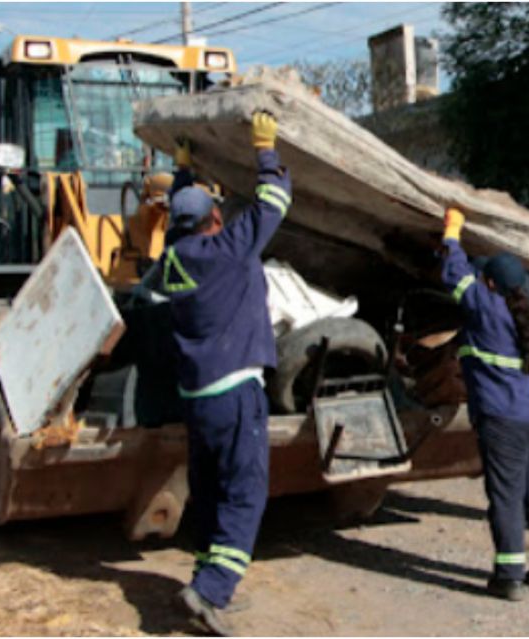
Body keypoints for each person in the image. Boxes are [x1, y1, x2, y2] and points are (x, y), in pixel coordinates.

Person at [163, 111, 292, 635]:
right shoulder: (228, 253)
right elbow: (274, 202)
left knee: (211, 490)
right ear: (214, 218)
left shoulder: (172, 258)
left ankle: (203, 576)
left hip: (196, 396)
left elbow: (183, 215)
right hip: (236, 393)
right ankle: (211, 589)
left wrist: (182, 173)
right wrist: (266, 151)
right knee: (245, 492)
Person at [441, 207, 529, 601]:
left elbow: (454, 273)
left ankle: (510, 576)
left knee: (506, 496)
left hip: (504, 420)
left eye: (485, 277)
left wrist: (452, 231)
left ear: (491, 283)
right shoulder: (522, 312)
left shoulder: (484, 305)